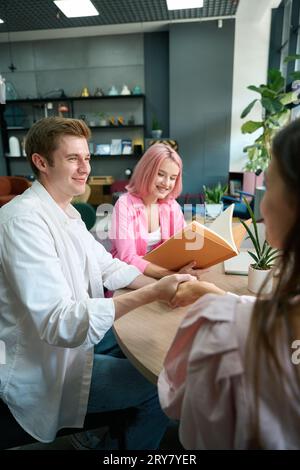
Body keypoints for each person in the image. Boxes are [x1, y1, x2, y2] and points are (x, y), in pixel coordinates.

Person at [0, 117, 195, 450]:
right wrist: (153, 292)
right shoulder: (22, 222)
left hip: (75, 344)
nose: (84, 168)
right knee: (165, 384)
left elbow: (110, 266)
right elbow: (60, 322)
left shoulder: (68, 214)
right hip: (48, 366)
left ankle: (111, 430)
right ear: (41, 162)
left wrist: (169, 281)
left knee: (148, 343)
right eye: (73, 158)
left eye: (87, 158)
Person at [158, 118, 300, 450]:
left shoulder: (223, 334)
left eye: (270, 183)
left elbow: (188, 422)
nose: (261, 203)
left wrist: (216, 306)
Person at [109, 143, 204, 279]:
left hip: (162, 274)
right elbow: (127, 258)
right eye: (160, 174)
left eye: (172, 178)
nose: (166, 183)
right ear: (146, 171)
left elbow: (182, 246)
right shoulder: (125, 204)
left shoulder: (172, 206)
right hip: (130, 276)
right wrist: (171, 275)